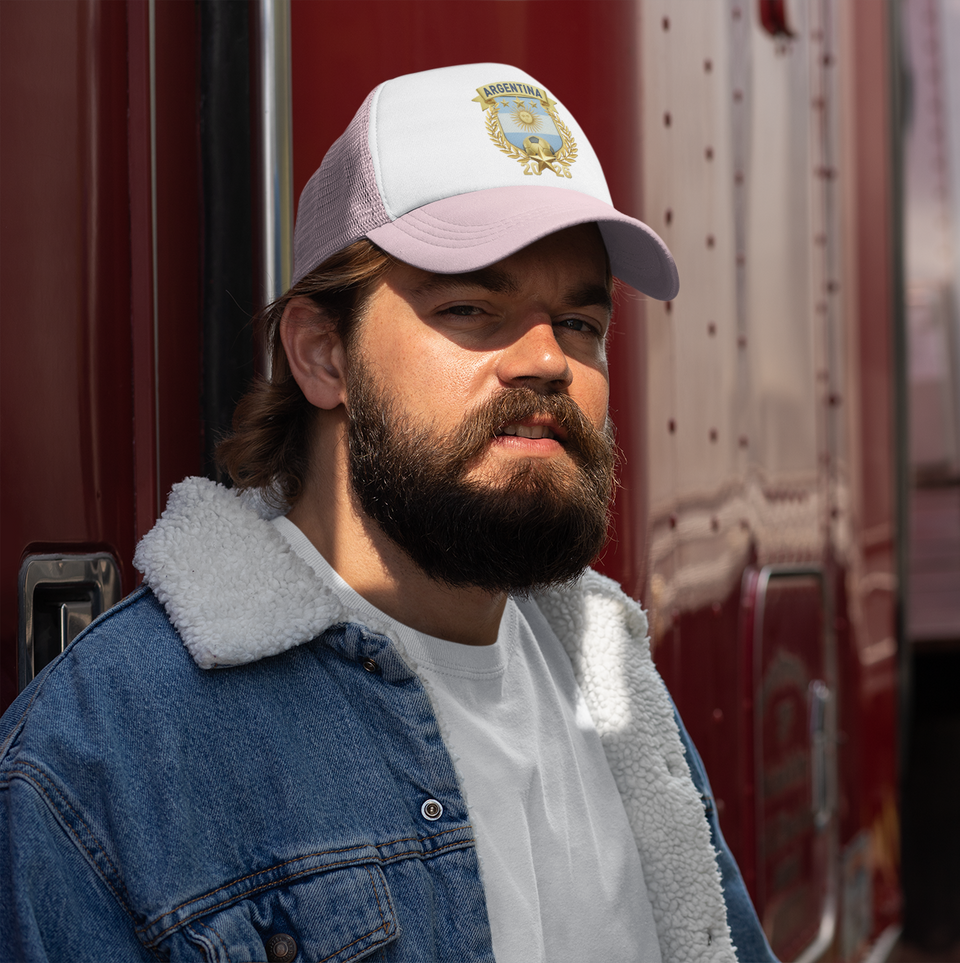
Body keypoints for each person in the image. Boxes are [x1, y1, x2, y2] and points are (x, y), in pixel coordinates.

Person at [0, 63, 775, 963]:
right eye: (471, 307)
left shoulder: (611, 680)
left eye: (579, 323)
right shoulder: (107, 755)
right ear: (322, 355)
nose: (547, 360)